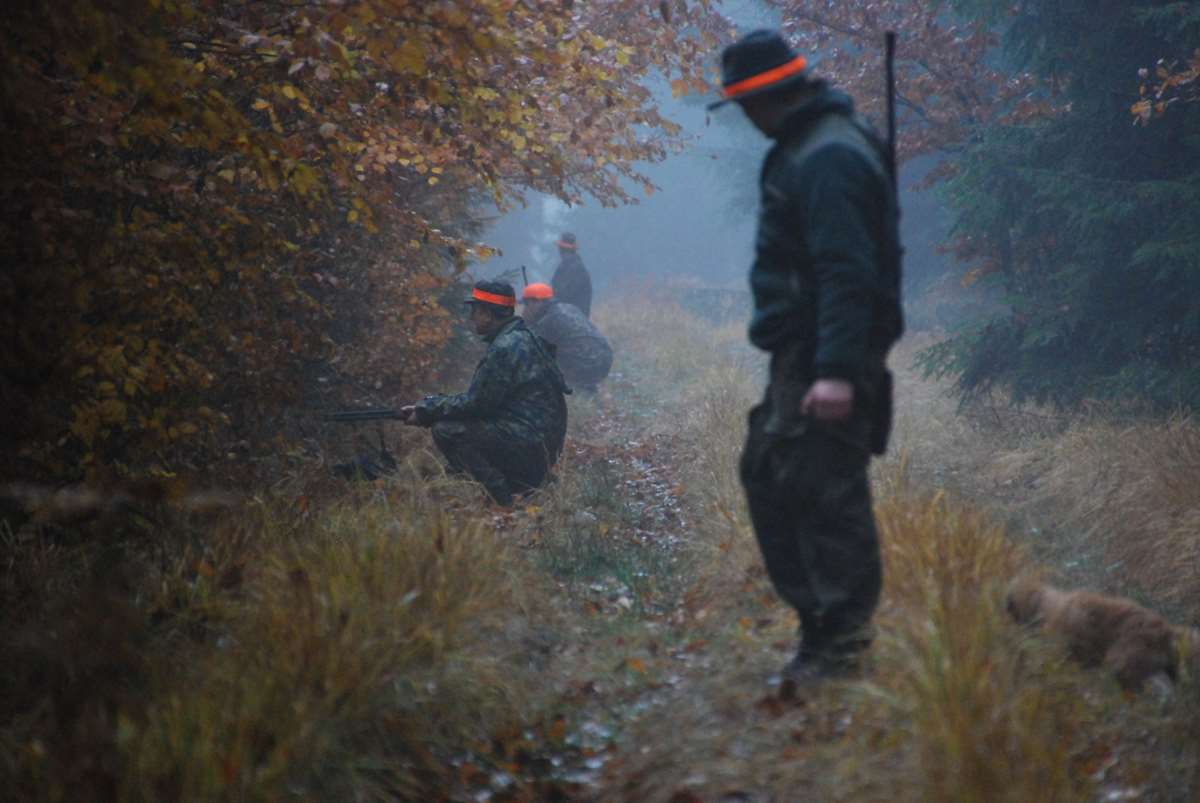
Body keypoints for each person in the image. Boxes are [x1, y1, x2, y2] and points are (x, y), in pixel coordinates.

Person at [710, 29, 904, 686]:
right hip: (804, 353)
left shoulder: (827, 156)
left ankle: (839, 649)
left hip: (825, 354)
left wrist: (836, 372)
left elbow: (846, 271)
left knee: (826, 492)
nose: (744, 116)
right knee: (771, 474)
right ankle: (822, 636)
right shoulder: (812, 146)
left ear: (768, 96)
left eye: (744, 103)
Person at [399, 280, 569, 507]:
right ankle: (520, 487)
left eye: (475, 311)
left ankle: (501, 499)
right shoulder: (524, 337)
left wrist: (427, 410)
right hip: (544, 443)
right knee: (467, 429)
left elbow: (478, 404)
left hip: (531, 445)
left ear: (488, 314)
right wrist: (429, 407)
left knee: (447, 431)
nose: (472, 317)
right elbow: (486, 400)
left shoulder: (504, 347)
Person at [521, 283, 613, 393]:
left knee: (541, 356)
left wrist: (526, 322)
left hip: (585, 366)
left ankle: (574, 386)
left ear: (537, 302)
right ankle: (585, 386)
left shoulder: (550, 319)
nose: (526, 308)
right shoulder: (569, 307)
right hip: (605, 361)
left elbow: (526, 343)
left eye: (527, 304)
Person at [549, 232, 593, 318]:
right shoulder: (567, 266)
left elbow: (563, 295)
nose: (560, 251)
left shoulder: (575, 269)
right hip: (569, 315)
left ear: (562, 249)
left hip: (573, 317)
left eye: (561, 248)